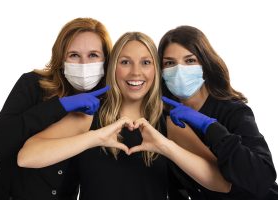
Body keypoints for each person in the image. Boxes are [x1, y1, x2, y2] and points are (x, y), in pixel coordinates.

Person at [17, 31, 231, 200]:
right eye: (125, 62)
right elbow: (26, 157)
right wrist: (95, 138)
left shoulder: (168, 123)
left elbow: (222, 183)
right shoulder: (89, 117)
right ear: (113, 68)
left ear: (156, 70)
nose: (135, 72)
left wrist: (166, 146)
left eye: (146, 63)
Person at [0, 17, 112, 199]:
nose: (83, 65)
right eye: (74, 55)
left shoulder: (108, 107)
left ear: (106, 60)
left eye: (93, 55)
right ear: (61, 57)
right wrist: (61, 105)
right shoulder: (33, 84)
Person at [158, 25, 278, 199]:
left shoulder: (234, 111)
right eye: (170, 63)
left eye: (190, 61)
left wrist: (209, 126)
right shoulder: (166, 120)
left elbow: (262, 178)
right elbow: (176, 186)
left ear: (205, 64)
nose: (179, 70)